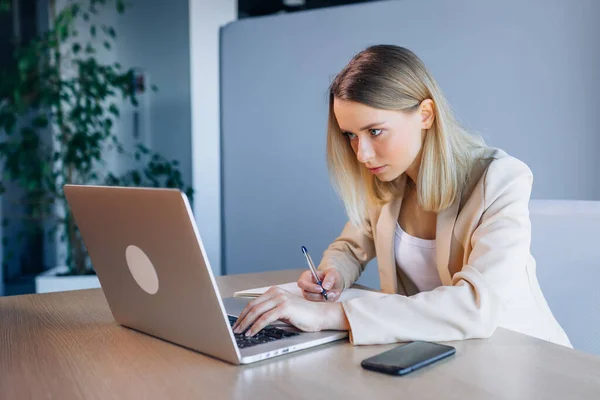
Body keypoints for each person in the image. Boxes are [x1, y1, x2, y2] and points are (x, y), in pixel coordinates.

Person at [232, 45, 571, 347]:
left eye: (375, 131)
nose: (362, 154)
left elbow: (474, 306)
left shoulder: (500, 179)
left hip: (517, 356)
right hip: (435, 352)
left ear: (425, 114)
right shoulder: (388, 180)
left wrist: (332, 315)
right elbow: (350, 247)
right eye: (350, 135)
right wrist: (332, 273)